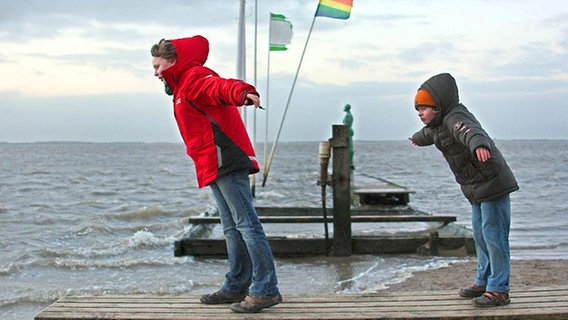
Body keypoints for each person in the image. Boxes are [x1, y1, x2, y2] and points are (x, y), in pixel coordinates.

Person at [150, 35, 281, 313]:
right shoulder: (182, 87)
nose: (155, 72)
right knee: (232, 227)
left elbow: (219, 87)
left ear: (173, 62)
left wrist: (243, 92)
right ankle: (236, 285)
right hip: (213, 163)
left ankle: (266, 289)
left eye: (158, 66)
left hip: (227, 158)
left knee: (246, 224)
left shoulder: (194, 77)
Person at [409, 73, 518, 308]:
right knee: (480, 235)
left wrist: (479, 144)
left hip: (492, 182)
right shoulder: (436, 126)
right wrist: (416, 139)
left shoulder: (455, 117)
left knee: (494, 236)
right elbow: (427, 135)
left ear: (438, 106)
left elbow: (469, 130)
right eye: (418, 109)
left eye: (424, 108)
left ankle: (499, 290)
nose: (419, 113)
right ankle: (483, 281)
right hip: (476, 188)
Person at [342, 104, 355, 170]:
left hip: (347, 131)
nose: (343, 108)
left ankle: (350, 162)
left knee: (350, 147)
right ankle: (350, 161)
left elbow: (346, 124)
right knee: (350, 146)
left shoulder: (348, 115)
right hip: (348, 130)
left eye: (344, 107)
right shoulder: (349, 115)